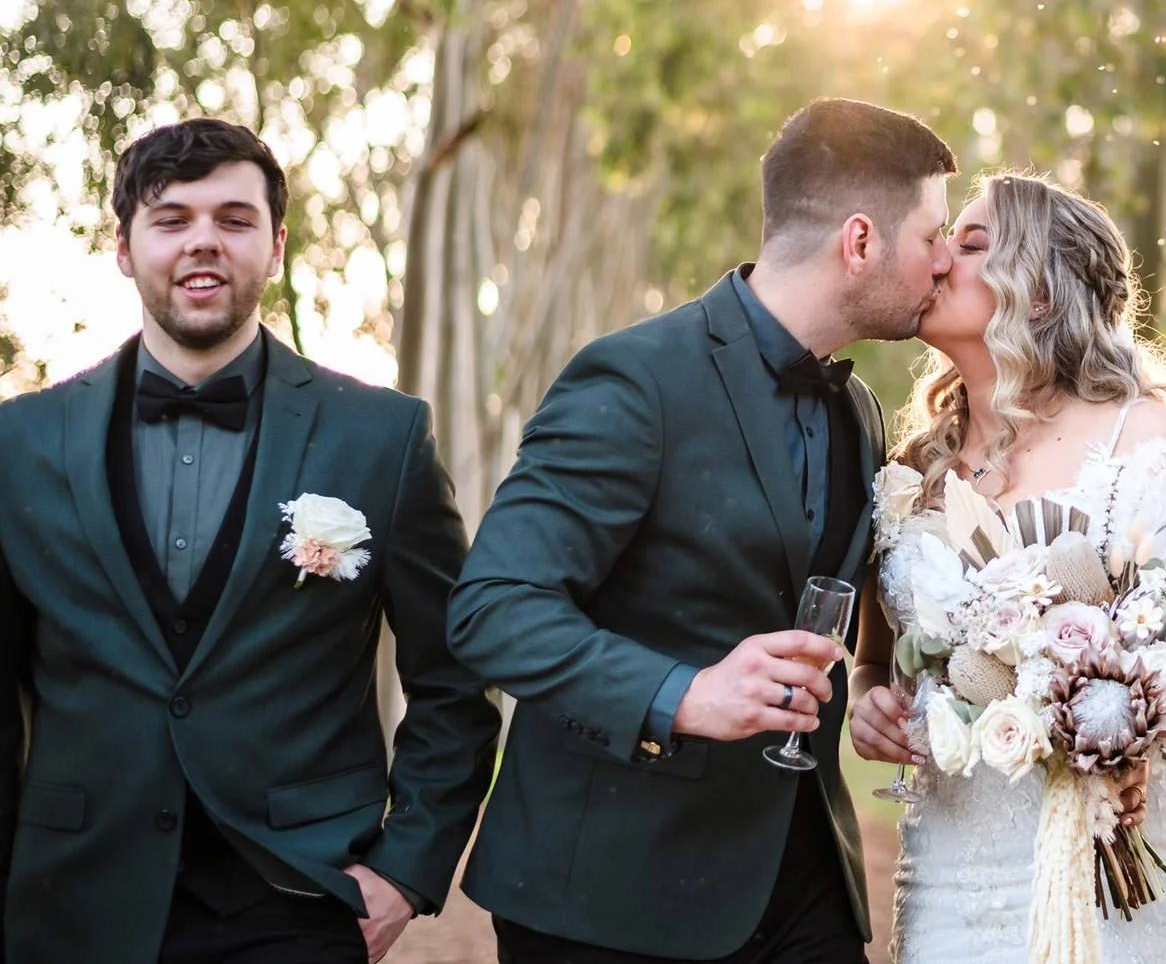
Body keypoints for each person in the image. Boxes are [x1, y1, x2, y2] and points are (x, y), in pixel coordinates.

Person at [448, 98, 957, 963]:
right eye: (933, 235)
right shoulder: (635, 379)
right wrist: (685, 693)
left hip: (804, 889)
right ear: (860, 241)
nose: (945, 260)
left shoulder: (863, 410)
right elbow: (492, 607)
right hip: (610, 897)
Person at [0, 118, 501, 964]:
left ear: (275, 248)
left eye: (234, 220)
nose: (204, 241)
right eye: (172, 219)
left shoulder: (381, 438)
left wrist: (404, 872)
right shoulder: (18, 443)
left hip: (299, 901)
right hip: (70, 903)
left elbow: (454, 680)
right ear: (123, 247)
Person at [849, 172, 1166, 963]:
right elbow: (876, 663)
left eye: (971, 242)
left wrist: (1139, 737)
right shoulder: (911, 470)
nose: (938, 258)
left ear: (1043, 291)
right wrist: (868, 703)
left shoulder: (1142, 437)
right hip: (954, 878)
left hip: (1118, 870)